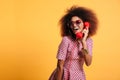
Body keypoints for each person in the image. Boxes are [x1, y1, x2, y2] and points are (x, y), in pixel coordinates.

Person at [49, 5, 98, 80]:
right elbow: (60, 66)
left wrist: (83, 42)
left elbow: (88, 63)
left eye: (78, 22)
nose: (74, 25)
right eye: (71, 23)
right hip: (62, 75)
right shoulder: (66, 40)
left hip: (79, 76)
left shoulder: (88, 41)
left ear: (85, 24)